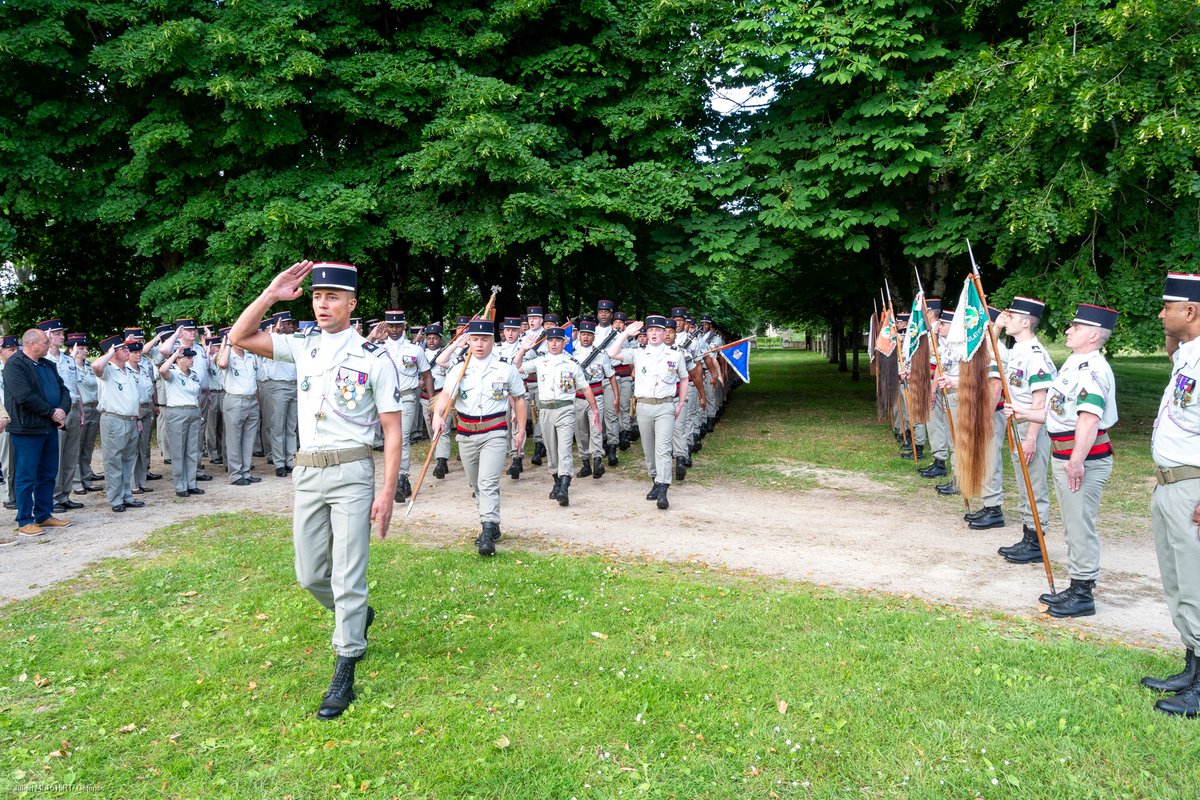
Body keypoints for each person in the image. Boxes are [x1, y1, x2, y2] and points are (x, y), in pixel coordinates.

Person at [231, 259, 403, 720]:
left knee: (349, 573)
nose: (323, 304)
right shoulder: (302, 348)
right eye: (317, 296)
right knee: (309, 574)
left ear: (352, 303)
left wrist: (386, 492)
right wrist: (270, 294)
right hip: (308, 471)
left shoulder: (373, 357)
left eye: (332, 297)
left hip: (351, 472)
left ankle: (346, 665)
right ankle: (356, 612)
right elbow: (239, 338)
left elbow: (391, 430)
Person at [1008, 303, 1119, 618]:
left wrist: (1076, 461)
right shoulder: (1074, 363)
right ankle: (1078, 584)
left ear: (1094, 336)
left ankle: (1082, 593)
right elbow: (1058, 413)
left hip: (1080, 457)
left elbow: (1088, 419)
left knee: (1079, 524)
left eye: (1077, 327)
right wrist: (1023, 412)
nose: (1068, 330)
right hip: (1064, 453)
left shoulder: (1093, 369)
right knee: (1073, 524)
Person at [1142, 272, 1200, 717]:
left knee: (1197, 585)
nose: (1162, 313)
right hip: (1170, 485)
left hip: (1193, 488)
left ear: (1192, 311)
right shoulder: (1187, 357)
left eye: (1168, 307)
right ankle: (1191, 668)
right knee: (1179, 582)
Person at [430, 317, 528, 556]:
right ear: (469, 341)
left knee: (487, 482)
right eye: (475, 339)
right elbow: (446, 395)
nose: (480, 344)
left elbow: (519, 398)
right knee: (476, 484)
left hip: (494, 431)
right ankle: (492, 524)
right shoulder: (460, 368)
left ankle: (486, 529)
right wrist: (437, 416)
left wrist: (522, 429)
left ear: (493, 341)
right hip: (466, 433)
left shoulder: (505, 368)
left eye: (484, 339)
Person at [995, 298, 1057, 563]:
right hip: (1017, 424)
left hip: (1031, 427)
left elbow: (1039, 401)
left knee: (1033, 484)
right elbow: (990, 353)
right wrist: (995, 328)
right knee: (1024, 484)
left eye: (1011, 316)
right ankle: (1027, 535)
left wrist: (1031, 438)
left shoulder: (1035, 355)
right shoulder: (1018, 350)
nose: (1006, 319)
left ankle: (1036, 540)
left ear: (1025, 322)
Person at [607, 316, 688, 509]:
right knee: (648, 449)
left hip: (665, 406)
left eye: (657, 330)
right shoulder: (637, 353)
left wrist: (680, 403)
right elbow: (612, 353)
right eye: (650, 330)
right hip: (643, 406)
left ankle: (663, 489)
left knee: (663, 448)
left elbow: (684, 378)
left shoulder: (675, 355)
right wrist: (626, 333)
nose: (653, 333)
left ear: (664, 333)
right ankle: (655, 479)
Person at [514, 325, 599, 506]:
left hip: (566, 410)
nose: (554, 344)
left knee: (564, 449)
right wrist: (523, 349)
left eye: (558, 340)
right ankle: (557, 481)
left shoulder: (571, 364)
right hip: (545, 410)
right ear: (546, 342)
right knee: (551, 450)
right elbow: (517, 367)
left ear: (564, 342)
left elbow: (585, 388)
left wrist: (596, 410)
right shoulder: (540, 362)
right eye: (550, 340)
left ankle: (565, 487)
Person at [4, 328, 73, 536]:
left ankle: (44, 514)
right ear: (32, 344)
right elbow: (24, 396)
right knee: (27, 476)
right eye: (45, 342)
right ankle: (25, 519)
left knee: (48, 473)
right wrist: (51, 412)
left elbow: (64, 390)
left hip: (48, 428)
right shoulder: (15, 365)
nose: (50, 345)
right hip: (27, 429)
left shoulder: (47, 364)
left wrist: (62, 410)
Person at [370, 310, 431, 500]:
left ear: (404, 326)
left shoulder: (415, 349)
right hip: (385, 399)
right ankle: (394, 477)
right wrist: (371, 337)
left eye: (398, 326)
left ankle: (402, 477)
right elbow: (356, 354)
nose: (394, 330)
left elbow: (427, 375)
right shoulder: (377, 347)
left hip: (407, 397)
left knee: (402, 437)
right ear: (385, 326)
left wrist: (433, 401)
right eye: (390, 326)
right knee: (390, 438)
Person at [92, 337, 145, 512]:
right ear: (113, 352)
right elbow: (96, 366)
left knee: (128, 461)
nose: (127, 351)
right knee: (114, 461)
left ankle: (127, 496)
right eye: (122, 349)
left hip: (130, 420)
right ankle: (116, 499)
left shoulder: (127, 371)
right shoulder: (107, 370)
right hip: (114, 420)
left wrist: (138, 418)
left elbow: (135, 397)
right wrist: (109, 353)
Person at [570, 320, 616, 480]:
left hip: (597, 397)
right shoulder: (571, 355)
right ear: (580, 335)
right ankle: (585, 464)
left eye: (589, 335)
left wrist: (616, 397)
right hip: (578, 398)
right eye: (583, 334)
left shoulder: (601, 356)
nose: (585, 337)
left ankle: (597, 461)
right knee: (581, 432)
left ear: (593, 337)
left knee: (596, 429)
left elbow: (611, 376)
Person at [216, 331, 262, 487]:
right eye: (240, 339)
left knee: (249, 439)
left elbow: (255, 381)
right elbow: (222, 364)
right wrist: (228, 343)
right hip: (235, 400)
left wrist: (257, 401)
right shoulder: (226, 355)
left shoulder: (250, 357)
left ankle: (246, 471)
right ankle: (235, 474)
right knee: (234, 438)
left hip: (251, 400)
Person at [160, 347, 205, 498]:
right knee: (178, 451)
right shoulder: (172, 373)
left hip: (193, 412)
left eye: (192, 357)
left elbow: (197, 395)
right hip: (177, 412)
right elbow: (162, 370)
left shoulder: (194, 375)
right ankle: (180, 486)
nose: (192, 360)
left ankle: (191, 483)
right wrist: (174, 355)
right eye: (188, 357)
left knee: (192, 450)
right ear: (179, 359)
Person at [52, 331, 86, 514]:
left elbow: (75, 387)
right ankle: (53, 496)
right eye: (57, 333)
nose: (62, 336)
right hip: (58, 412)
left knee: (70, 455)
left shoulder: (68, 360)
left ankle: (65, 494)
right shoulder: (47, 360)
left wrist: (81, 411)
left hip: (73, 409)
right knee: (56, 456)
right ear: (48, 336)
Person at [0, 335, 19, 511]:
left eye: (16, 350)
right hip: (4, 420)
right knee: (6, 460)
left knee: (18, 459)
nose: (14, 353)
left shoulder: (18, 369)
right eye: (10, 350)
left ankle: (17, 493)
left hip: (19, 418)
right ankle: (8, 494)